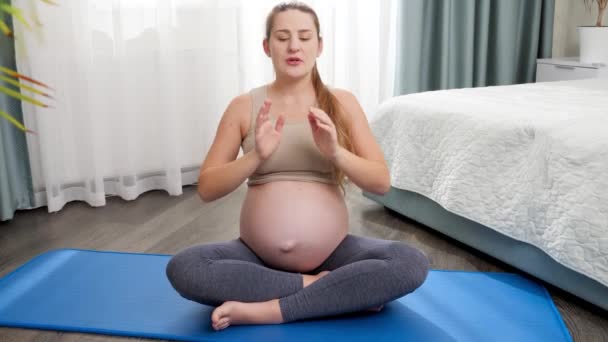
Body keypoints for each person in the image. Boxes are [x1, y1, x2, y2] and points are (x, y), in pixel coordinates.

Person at [166, 1, 429, 331]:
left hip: (335, 252)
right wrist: (256, 157)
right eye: (282, 37)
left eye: (304, 37)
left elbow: (380, 183)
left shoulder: (342, 103)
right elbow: (207, 187)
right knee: (186, 268)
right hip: (256, 257)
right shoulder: (244, 106)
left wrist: (335, 152)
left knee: (409, 263)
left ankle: (268, 310)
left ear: (319, 46)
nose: (294, 46)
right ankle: (325, 289)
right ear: (267, 46)